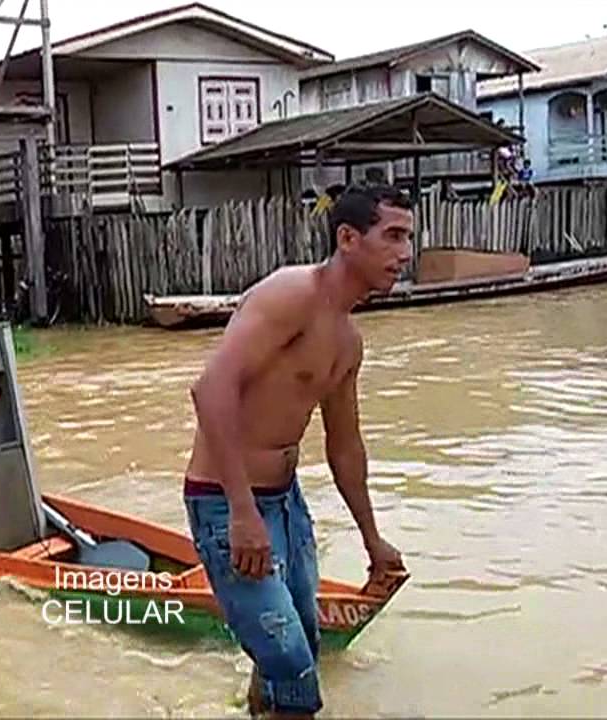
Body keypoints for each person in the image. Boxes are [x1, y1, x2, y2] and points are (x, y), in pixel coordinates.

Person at [184, 184, 411, 718]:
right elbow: (210, 388)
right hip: (225, 501)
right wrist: (241, 513)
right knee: (291, 663)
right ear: (349, 238)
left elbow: (346, 446)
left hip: (285, 503)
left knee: (300, 647)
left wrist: (372, 538)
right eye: (393, 236)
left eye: (409, 238)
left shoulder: (348, 340)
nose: (405, 253)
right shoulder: (292, 294)